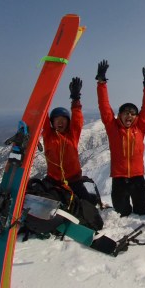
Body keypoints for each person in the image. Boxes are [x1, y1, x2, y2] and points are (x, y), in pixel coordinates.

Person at [96, 60, 145, 217]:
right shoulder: (113, 128)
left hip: (137, 178)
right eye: (126, 112)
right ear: (120, 115)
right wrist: (101, 83)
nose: (129, 115)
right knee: (121, 214)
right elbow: (104, 107)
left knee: (142, 212)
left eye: (132, 113)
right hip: (119, 178)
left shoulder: (139, 127)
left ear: (136, 117)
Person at [40, 77, 98, 205]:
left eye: (63, 119)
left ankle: (91, 199)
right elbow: (43, 116)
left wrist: (75, 98)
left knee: (87, 204)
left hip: (74, 180)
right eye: (57, 119)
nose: (60, 122)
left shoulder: (72, 135)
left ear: (68, 122)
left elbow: (77, 120)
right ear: (52, 123)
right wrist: (43, 96)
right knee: (41, 199)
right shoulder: (48, 135)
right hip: (53, 180)